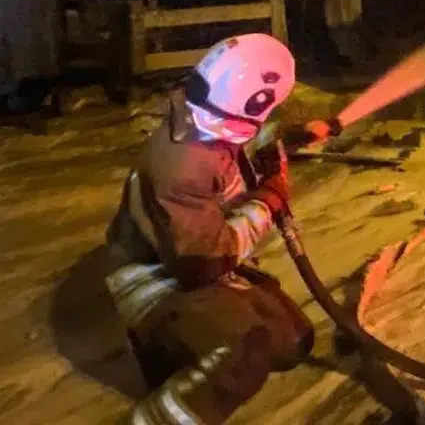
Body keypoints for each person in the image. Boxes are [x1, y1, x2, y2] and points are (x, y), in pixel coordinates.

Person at [104, 33, 314, 425]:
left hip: (185, 254)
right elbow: (204, 263)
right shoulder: (185, 165)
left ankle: (186, 344)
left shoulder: (207, 112)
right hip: (156, 276)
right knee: (245, 353)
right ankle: (159, 405)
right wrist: (267, 201)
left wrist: (294, 136)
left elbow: (248, 138)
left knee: (293, 341)